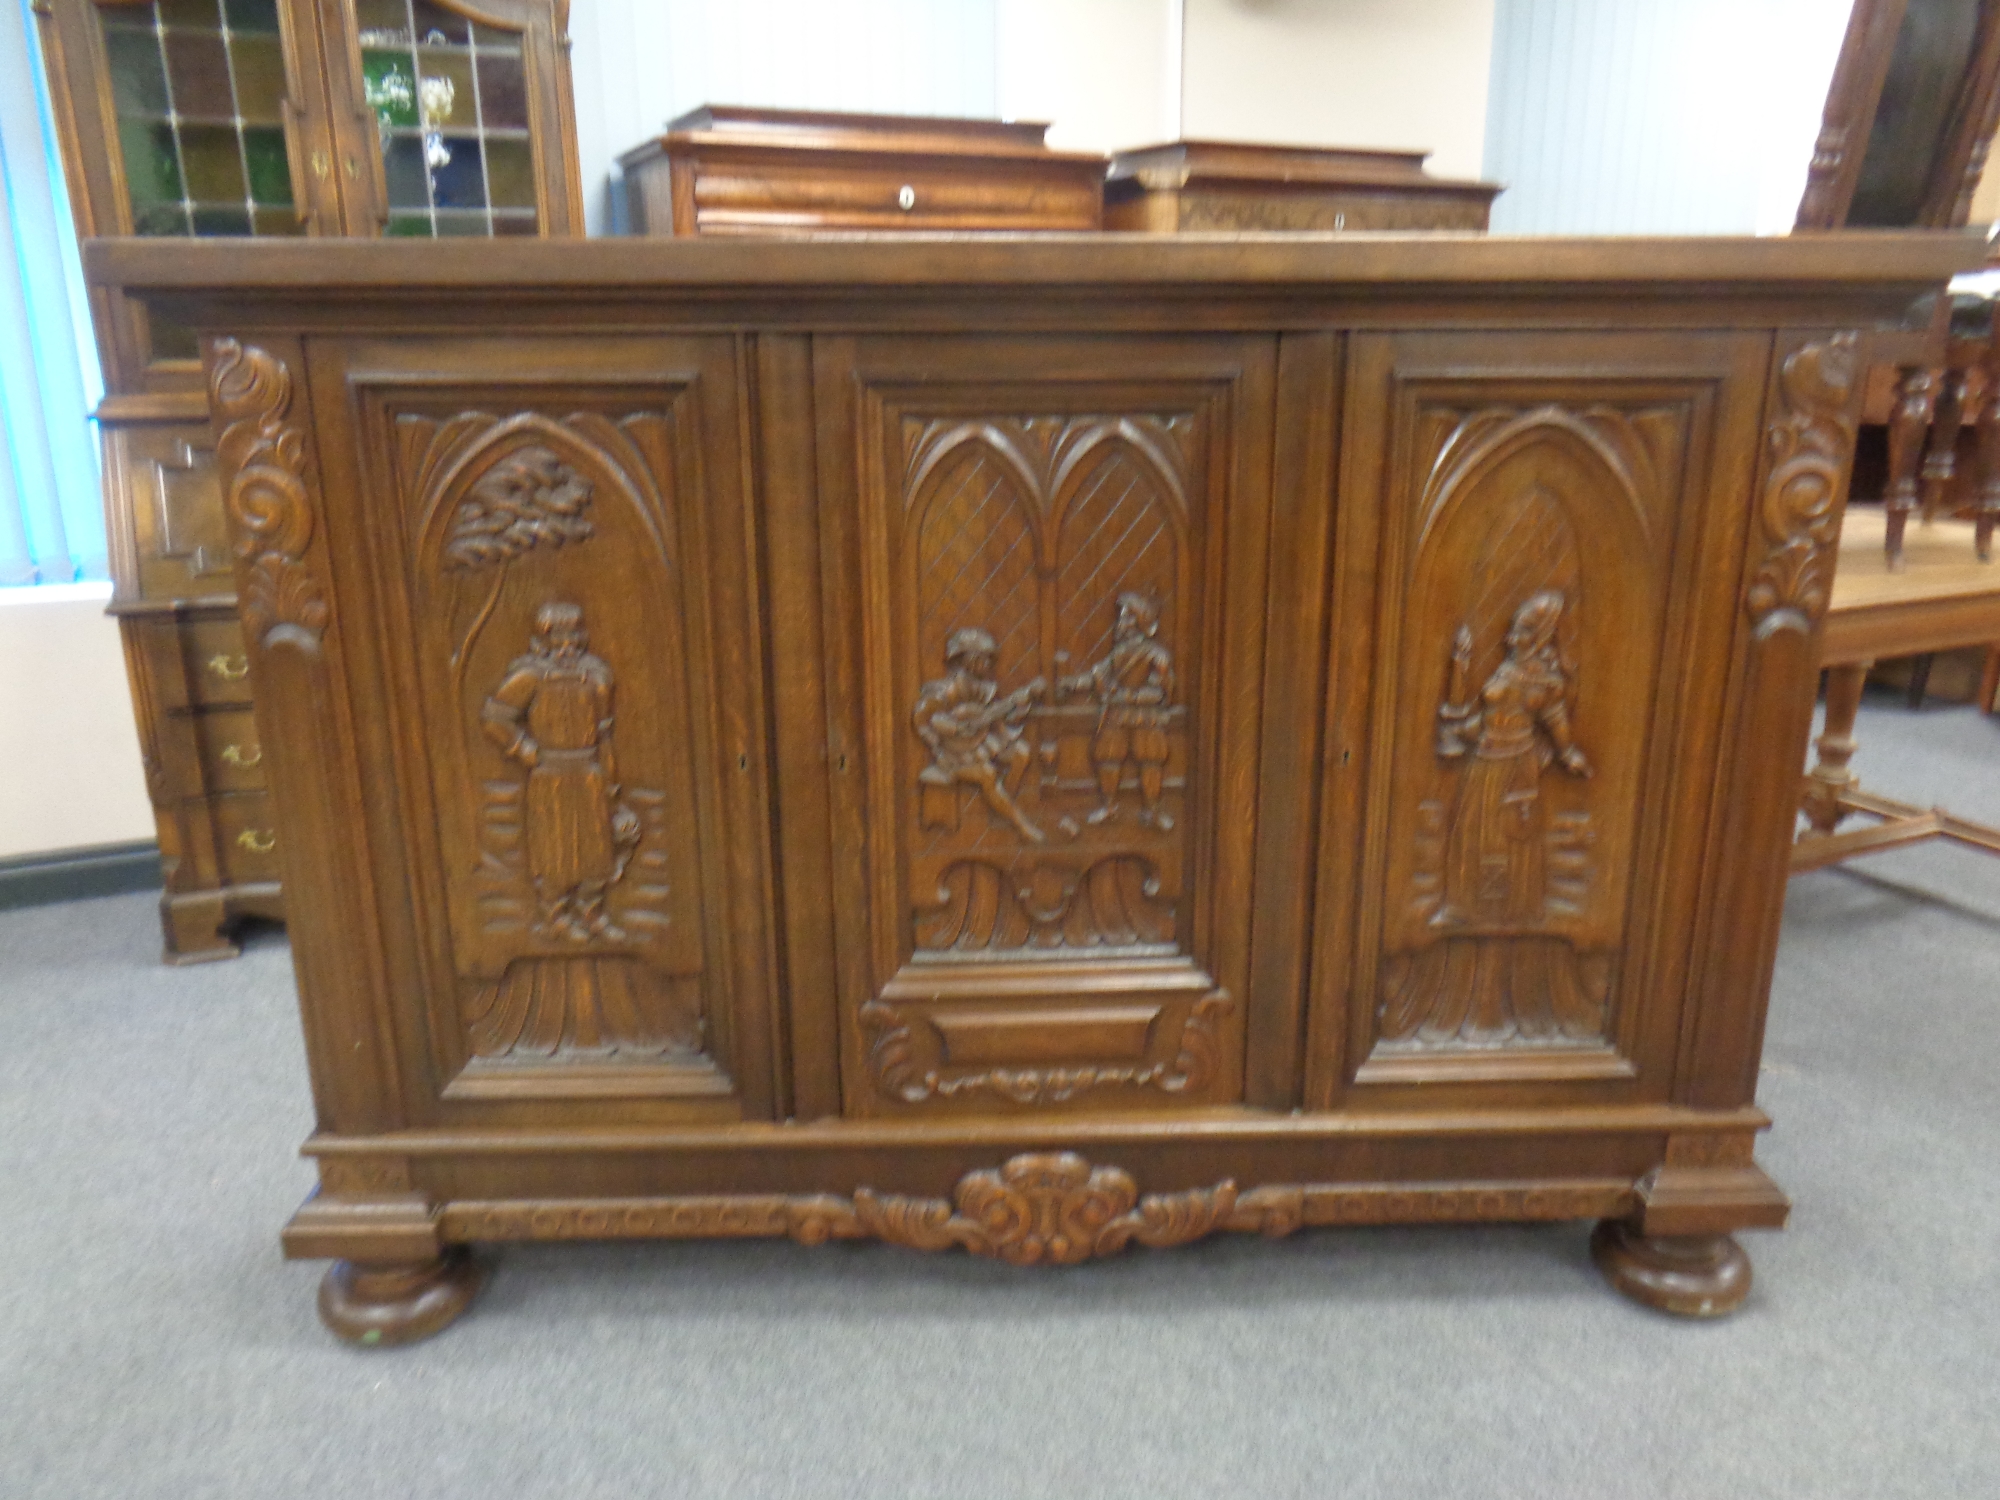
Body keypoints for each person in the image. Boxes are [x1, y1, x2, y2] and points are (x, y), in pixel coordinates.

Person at [482, 601, 641, 941]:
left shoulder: (596, 677)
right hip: (550, 775)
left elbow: (605, 735)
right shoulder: (530, 676)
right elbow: (495, 717)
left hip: (589, 772)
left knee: (596, 848)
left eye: (572, 636)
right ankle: (555, 916)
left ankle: (592, 912)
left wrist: (612, 789)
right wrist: (525, 750)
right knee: (554, 849)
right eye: (558, 638)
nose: (566, 645)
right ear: (544, 640)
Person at [912, 627, 1046, 841]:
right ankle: (1020, 823)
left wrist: (1018, 706)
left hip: (978, 742)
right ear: (970, 660)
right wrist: (949, 731)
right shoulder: (948, 690)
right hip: (952, 752)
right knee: (987, 774)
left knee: (1021, 752)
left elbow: (995, 718)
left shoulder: (985, 689)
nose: (988, 665)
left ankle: (1002, 808)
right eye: (984, 659)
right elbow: (923, 717)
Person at [1061, 591, 1176, 829]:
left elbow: (1161, 691)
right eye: (1121, 619)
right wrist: (1073, 684)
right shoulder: (1117, 655)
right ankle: (1108, 807)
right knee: (1108, 759)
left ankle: (1152, 811)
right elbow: (1097, 676)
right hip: (1115, 715)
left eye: (1126, 618)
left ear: (1138, 623)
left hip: (1145, 718)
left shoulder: (1156, 655)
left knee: (1150, 760)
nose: (1120, 624)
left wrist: (1127, 696)